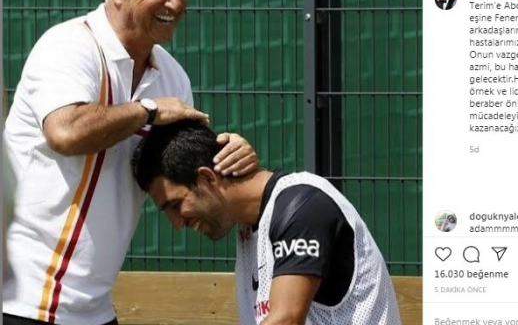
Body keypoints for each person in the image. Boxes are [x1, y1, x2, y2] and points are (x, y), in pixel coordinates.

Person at [2, 0, 258, 325]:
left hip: (95, 309)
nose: (175, 3)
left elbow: (186, 173)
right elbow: (65, 133)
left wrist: (230, 153)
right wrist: (148, 111)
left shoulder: (174, 79)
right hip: (21, 301)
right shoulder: (68, 47)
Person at [131, 120, 402, 325]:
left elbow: (286, 319)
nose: (177, 223)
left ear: (207, 178)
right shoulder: (248, 226)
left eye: (175, 205)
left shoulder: (302, 206)